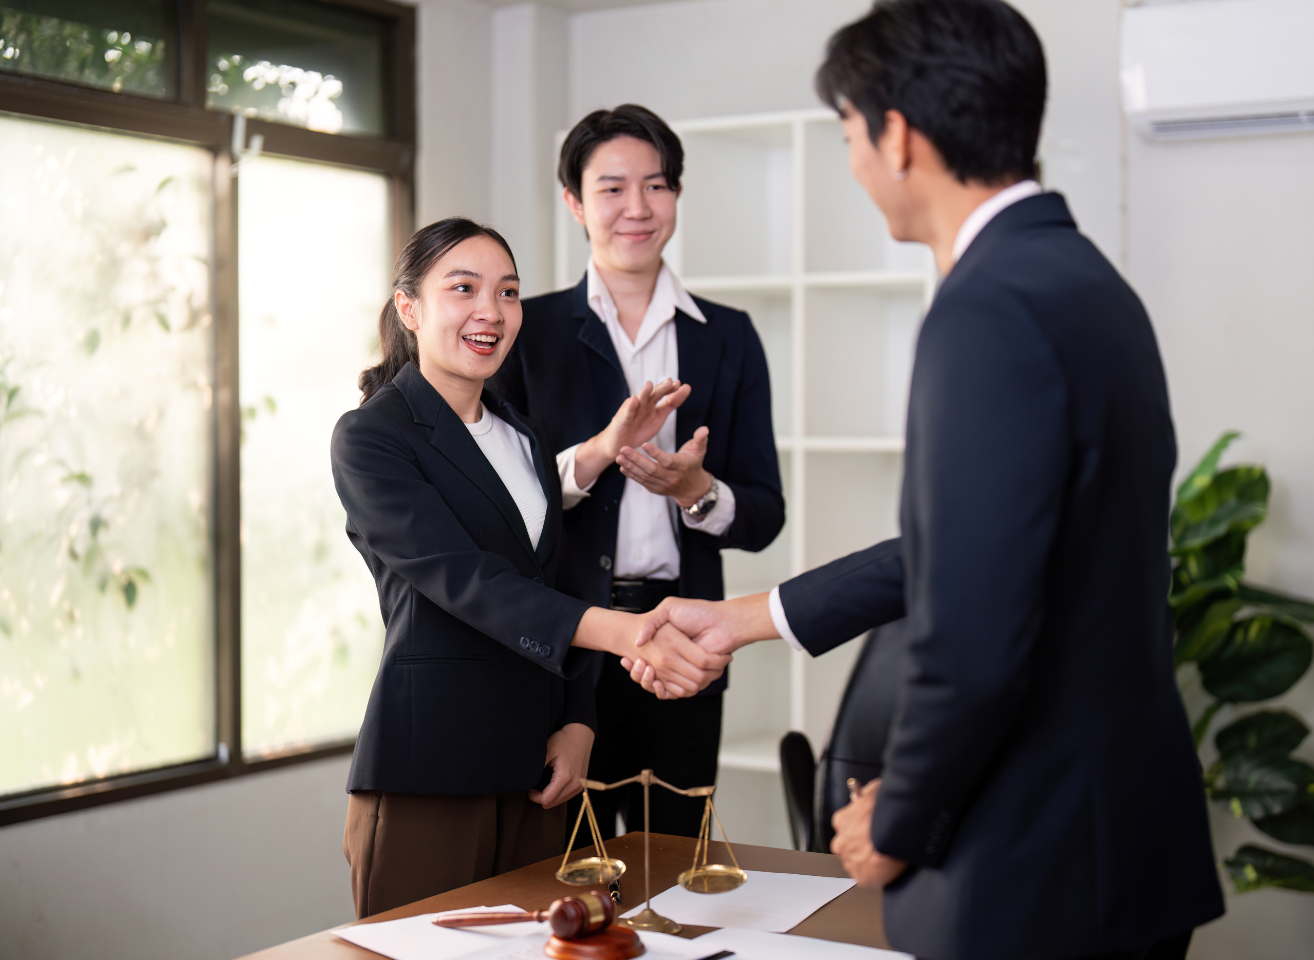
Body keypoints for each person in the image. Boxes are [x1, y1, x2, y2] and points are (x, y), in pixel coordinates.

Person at [626, 2, 1226, 958]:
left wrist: (897, 815)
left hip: (1035, 863)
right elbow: (980, 547)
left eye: (850, 133)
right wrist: (750, 616)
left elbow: (975, 636)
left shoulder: (984, 312)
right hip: (1122, 844)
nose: (856, 163)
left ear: (897, 136)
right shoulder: (1089, 287)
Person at [330, 217, 730, 919]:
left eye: (508, 292)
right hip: (432, 767)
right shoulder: (371, 437)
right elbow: (465, 581)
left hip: (540, 771)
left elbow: (561, 580)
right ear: (409, 308)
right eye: (465, 289)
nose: (492, 311)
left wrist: (579, 721)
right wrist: (628, 633)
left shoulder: (521, 434)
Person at [491, 105, 784, 840]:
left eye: (656, 186)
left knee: (681, 858)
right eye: (612, 188)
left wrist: (698, 493)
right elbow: (500, 506)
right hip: (570, 635)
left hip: (688, 633)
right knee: (566, 866)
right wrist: (593, 458)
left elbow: (763, 513)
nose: (636, 209)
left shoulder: (729, 337)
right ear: (574, 203)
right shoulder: (529, 331)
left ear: (676, 198)